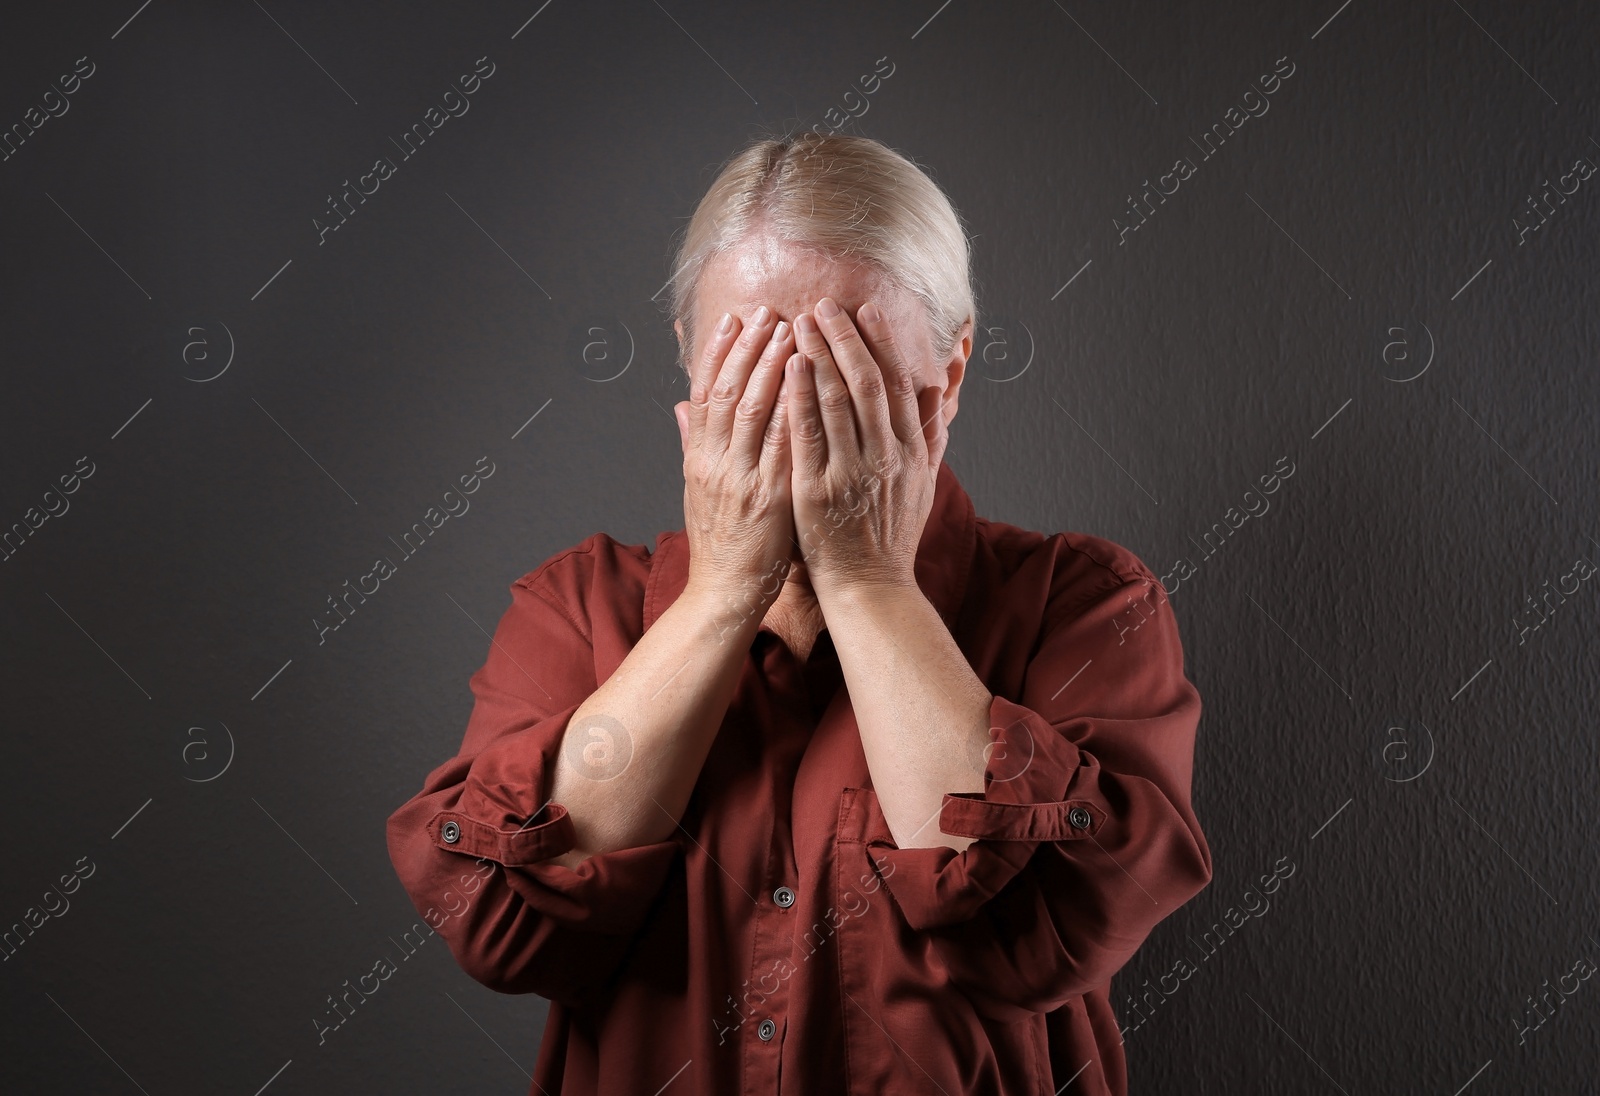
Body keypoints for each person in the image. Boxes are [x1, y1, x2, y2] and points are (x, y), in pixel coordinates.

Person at [386, 132, 1212, 1095]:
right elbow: (501, 927)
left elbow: (1045, 939)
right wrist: (724, 592)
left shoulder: (1085, 606)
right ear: (692, 367)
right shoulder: (578, 607)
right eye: (752, 366)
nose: (799, 409)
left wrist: (867, 581)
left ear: (945, 377)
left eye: (843, 365)